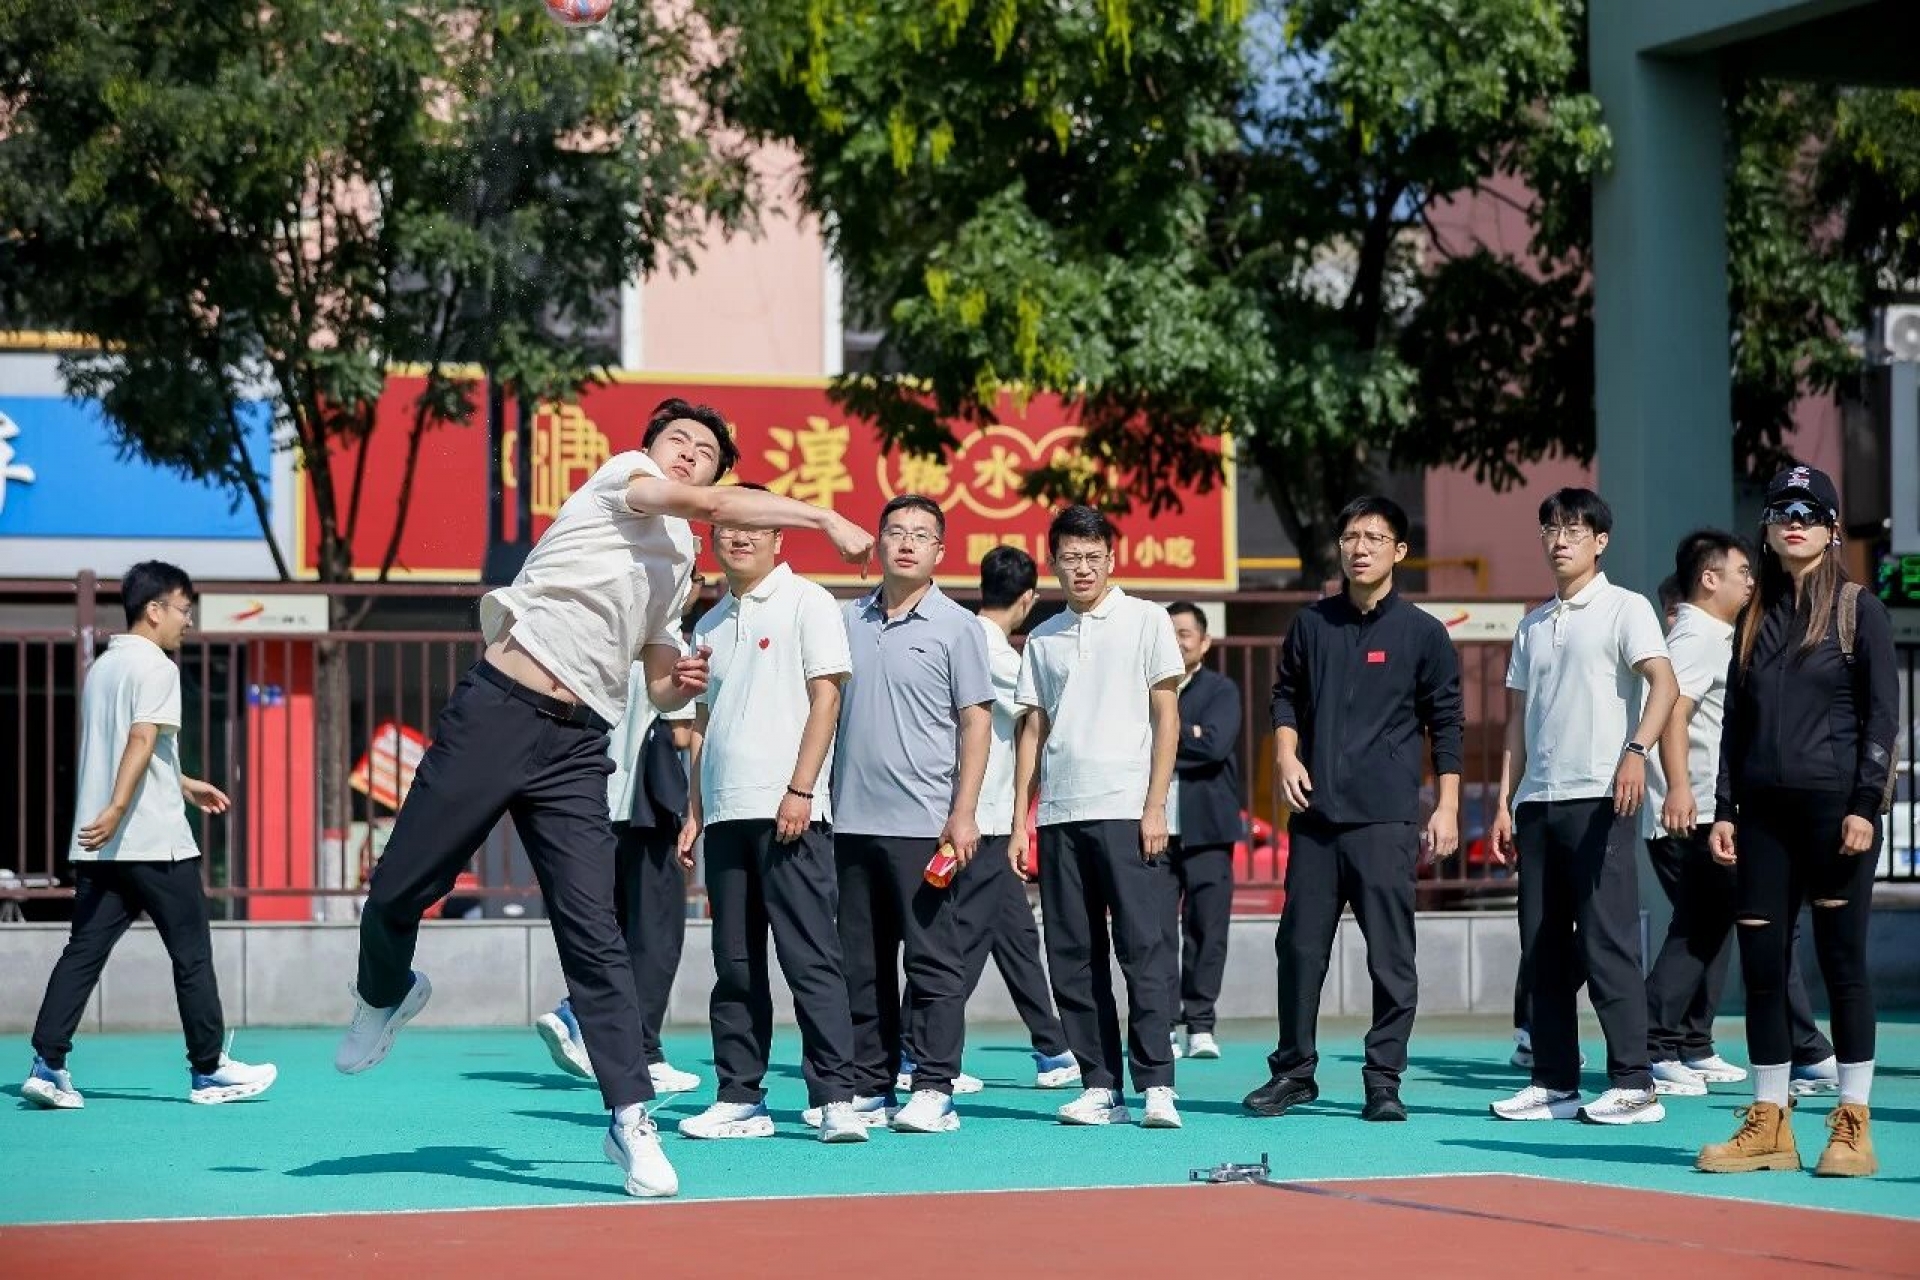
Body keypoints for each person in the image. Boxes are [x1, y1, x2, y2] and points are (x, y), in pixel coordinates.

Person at [332, 399, 873, 1199]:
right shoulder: (624, 480)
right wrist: (823, 516)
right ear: (650, 450)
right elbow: (711, 504)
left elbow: (656, 679)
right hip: (498, 711)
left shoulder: (678, 563)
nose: (687, 454)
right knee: (398, 889)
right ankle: (387, 989)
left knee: (595, 934)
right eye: (677, 441)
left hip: (576, 744)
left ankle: (629, 1119)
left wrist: (679, 679)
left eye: (704, 451)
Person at [1698, 464, 1898, 1178]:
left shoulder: (1857, 609)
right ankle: (1770, 1123)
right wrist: (1724, 809)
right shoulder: (1753, 615)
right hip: (1761, 819)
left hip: (1834, 815)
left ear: (1832, 529)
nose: (1794, 521)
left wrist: (1864, 804)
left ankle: (1853, 1123)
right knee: (1762, 970)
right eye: (1783, 510)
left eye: (1809, 513)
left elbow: (1882, 717)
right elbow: (1734, 724)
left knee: (1843, 966)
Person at [22, 561, 276, 1110]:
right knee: (192, 955)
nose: (189, 621)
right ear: (155, 610)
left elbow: (132, 749)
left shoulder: (103, 668)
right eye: (185, 609)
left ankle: (47, 1065)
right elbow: (139, 738)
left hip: (101, 845)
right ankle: (208, 1071)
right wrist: (120, 807)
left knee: (83, 952)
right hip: (155, 843)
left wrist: (179, 782)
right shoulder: (158, 667)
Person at [1243, 497, 1463, 1123]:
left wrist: (1446, 805)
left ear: (1400, 551)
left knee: (1390, 956)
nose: (1359, 547)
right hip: (1315, 819)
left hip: (1385, 819)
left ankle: (1383, 1079)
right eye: (1349, 537)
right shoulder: (1311, 625)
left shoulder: (1423, 633)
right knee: (1299, 949)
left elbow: (1447, 721)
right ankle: (1293, 1072)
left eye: (1374, 537)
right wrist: (1286, 755)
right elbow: (1284, 697)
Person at [675, 486, 870, 1143]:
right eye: (728, 527)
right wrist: (694, 811)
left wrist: (801, 788)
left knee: (810, 957)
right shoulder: (708, 623)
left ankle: (836, 1097)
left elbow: (827, 700)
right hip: (727, 813)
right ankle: (740, 1097)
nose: (739, 537)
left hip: (791, 810)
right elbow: (702, 725)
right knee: (733, 962)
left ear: (779, 536)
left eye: (754, 527)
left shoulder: (809, 602)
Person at [1489, 487, 1678, 1126]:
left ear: (1600, 542)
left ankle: (1635, 1083)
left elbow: (1664, 684)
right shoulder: (1532, 624)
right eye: (1551, 529)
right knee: (1542, 948)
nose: (1560, 540)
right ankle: (1553, 1083)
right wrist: (1506, 801)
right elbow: (1518, 720)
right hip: (1537, 804)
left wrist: (1637, 751)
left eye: (1574, 530)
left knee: (1607, 943)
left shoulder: (1627, 608)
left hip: (1601, 797)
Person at [1642, 530, 1836, 1098]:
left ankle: (1687, 1042)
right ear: (1710, 579)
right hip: (1698, 812)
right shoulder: (1697, 636)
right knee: (1725, 924)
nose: (1751, 582)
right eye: (1742, 573)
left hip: (1712, 811)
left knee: (1713, 927)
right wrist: (1680, 789)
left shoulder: (1717, 635)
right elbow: (1672, 711)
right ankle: (1661, 1043)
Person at [1011, 505, 1186, 1129]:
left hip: (1128, 811)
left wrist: (1155, 804)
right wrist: (1020, 819)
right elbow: (1033, 730)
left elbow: (1166, 715)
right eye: (1070, 558)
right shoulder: (1043, 637)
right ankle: (1100, 1085)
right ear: (1053, 563)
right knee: (1073, 955)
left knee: (1144, 950)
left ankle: (1157, 1083)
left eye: (1092, 557)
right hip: (1060, 815)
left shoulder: (1146, 620)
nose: (1082, 568)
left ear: (1111, 559)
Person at [832, 493, 993, 1135]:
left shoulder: (959, 627)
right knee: (862, 963)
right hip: (849, 822)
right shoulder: (846, 620)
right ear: (877, 543)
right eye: (895, 531)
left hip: (925, 825)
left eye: (921, 535)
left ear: (939, 552)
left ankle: (933, 1086)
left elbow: (975, 722)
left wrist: (964, 812)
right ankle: (870, 1083)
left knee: (931, 962)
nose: (906, 543)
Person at [899, 547, 1079, 1093]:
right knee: (957, 941)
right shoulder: (994, 654)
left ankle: (1052, 1049)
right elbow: (1045, 711)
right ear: (1028, 598)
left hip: (979, 816)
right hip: (980, 819)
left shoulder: (959, 635)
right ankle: (916, 1052)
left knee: (1016, 935)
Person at [532, 659, 701, 1096]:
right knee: (657, 937)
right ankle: (638, 1049)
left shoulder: (601, 646)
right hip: (647, 809)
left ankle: (583, 1017)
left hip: (593, 803)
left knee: (613, 933)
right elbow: (682, 731)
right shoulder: (667, 646)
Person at [1166, 601, 1242, 1061]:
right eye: (1169, 633)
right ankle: (1163, 1024)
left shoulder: (1221, 689)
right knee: (1156, 932)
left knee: (1207, 928)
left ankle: (1200, 1023)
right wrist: (1189, 733)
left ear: (1204, 641)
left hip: (1208, 829)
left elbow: (1216, 745)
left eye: (1184, 633)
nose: (1177, 642)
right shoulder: (1147, 687)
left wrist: (1170, 736)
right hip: (1154, 829)